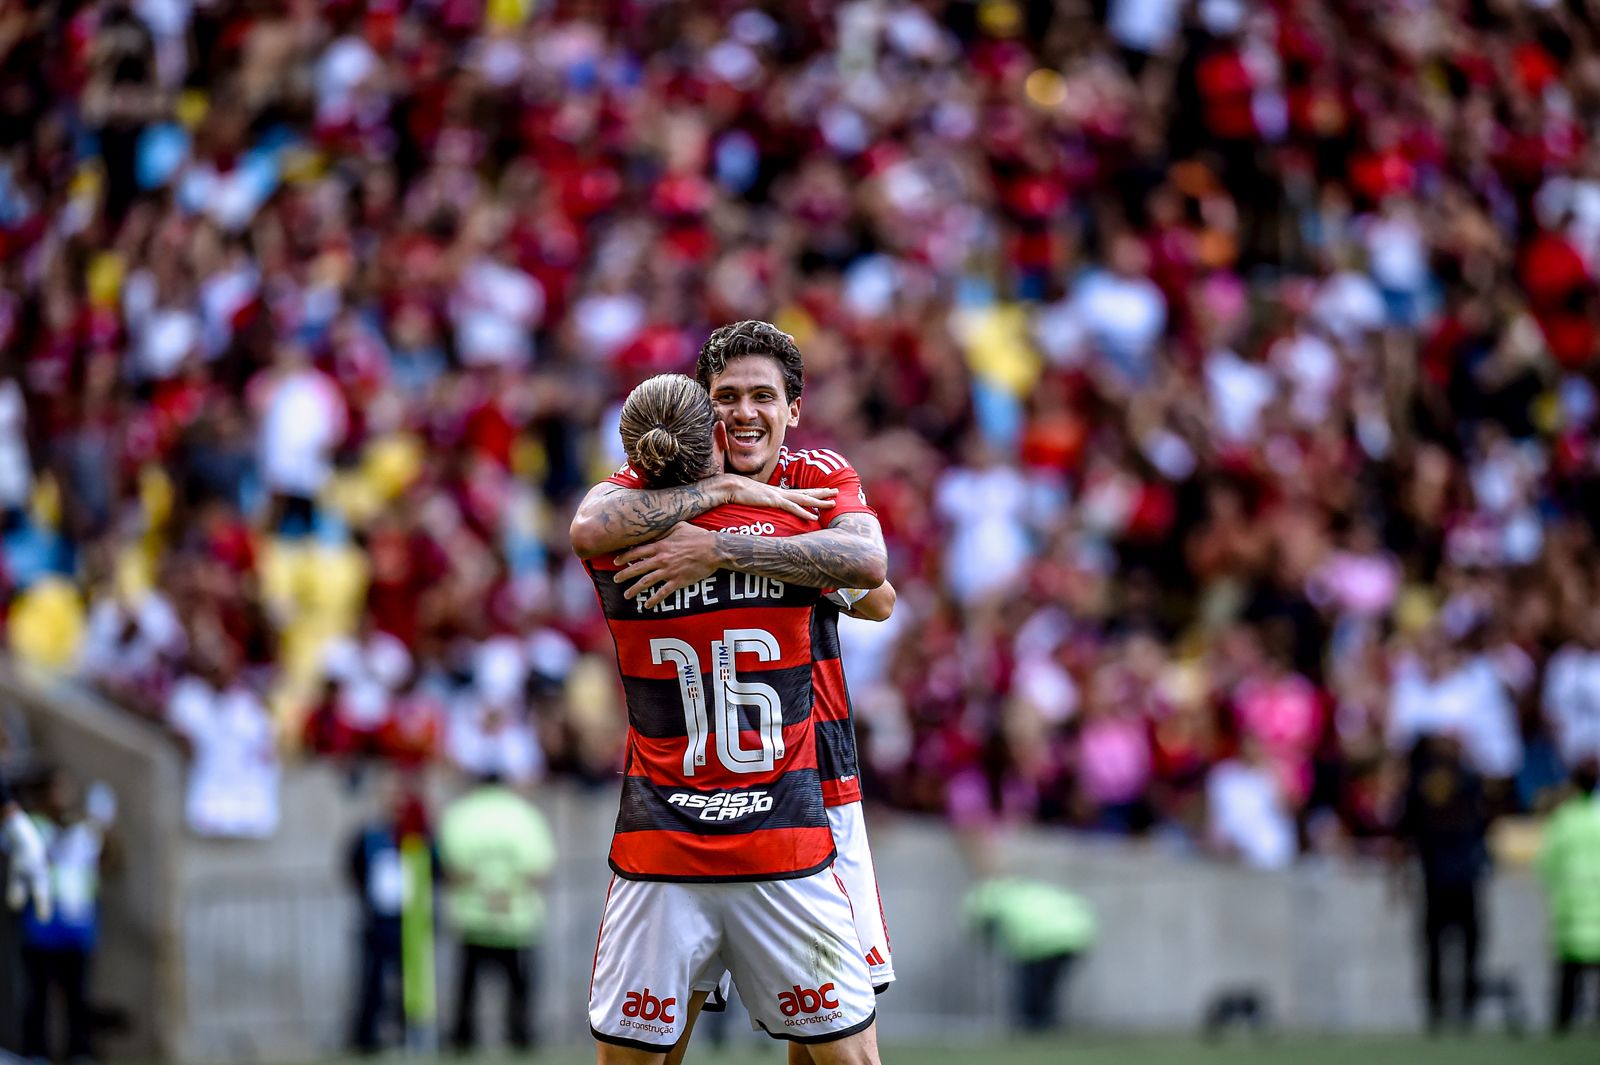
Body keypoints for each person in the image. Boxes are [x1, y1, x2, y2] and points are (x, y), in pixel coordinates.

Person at [571, 322, 898, 1062]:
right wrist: (724, 496)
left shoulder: (815, 476)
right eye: (725, 397)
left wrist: (724, 546)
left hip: (818, 780)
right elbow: (588, 524)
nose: (743, 412)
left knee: (816, 1029)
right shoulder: (663, 493)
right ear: (698, 408)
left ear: (794, 409)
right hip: (708, 795)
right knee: (692, 1016)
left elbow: (876, 586)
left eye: (762, 396)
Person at [438, 772, 557, 1052]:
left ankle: (462, 1039)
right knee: (519, 989)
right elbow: (540, 868)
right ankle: (521, 1037)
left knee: (467, 987)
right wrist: (507, 888)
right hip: (517, 918)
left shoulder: (459, 814)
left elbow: (450, 868)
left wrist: (482, 888)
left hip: (473, 916)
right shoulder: (526, 815)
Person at [1395, 734, 1492, 1033]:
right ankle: (1464, 1012)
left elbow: (1406, 827)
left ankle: (1437, 1013)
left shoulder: (1420, 782)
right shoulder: (1468, 778)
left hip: (1436, 877)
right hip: (1463, 876)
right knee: (1467, 949)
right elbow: (1483, 820)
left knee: (1435, 949)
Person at [19, 770, 116, 1064]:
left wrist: (107, 830)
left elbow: (109, 863)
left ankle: (79, 1050)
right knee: (38, 996)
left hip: (77, 926)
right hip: (42, 926)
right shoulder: (33, 826)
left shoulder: (85, 830)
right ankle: (36, 1052)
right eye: (57, 789)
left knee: (77, 996)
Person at [346, 780, 433, 1054]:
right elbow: (355, 867)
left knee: (413, 983)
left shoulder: (419, 835)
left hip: (412, 920)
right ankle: (367, 1036)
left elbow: (435, 867)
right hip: (380, 919)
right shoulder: (371, 835)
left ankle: (413, 1033)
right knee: (373, 980)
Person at [964, 875, 1097, 1032]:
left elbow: (1009, 936)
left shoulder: (997, 904)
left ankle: (1033, 1026)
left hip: (1043, 941)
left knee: (1031, 987)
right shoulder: (1024, 894)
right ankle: (1045, 1024)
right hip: (1076, 936)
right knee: (1047, 987)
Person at [1537, 757, 1600, 1034]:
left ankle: (1562, 1024)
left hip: (1571, 909)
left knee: (1569, 975)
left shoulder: (1564, 819)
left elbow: (1546, 864)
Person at [2, 773, 51, 922]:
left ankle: (21, 896)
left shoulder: (17, 822)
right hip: (27, 856)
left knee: (30, 878)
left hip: (28, 855)